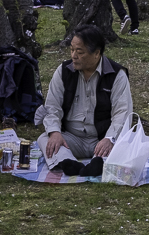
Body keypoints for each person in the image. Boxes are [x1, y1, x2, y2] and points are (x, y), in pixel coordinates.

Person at [36, 25, 133, 176]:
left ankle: (98, 162)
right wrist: (55, 132)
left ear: (97, 53)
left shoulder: (116, 75)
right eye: (72, 50)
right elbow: (52, 106)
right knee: (45, 138)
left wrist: (110, 138)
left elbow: (123, 112)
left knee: (122, 144)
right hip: (71, 138)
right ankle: (70, 163)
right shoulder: (63, 71)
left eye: (80, 52)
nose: (74, 56)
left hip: (101, 137)